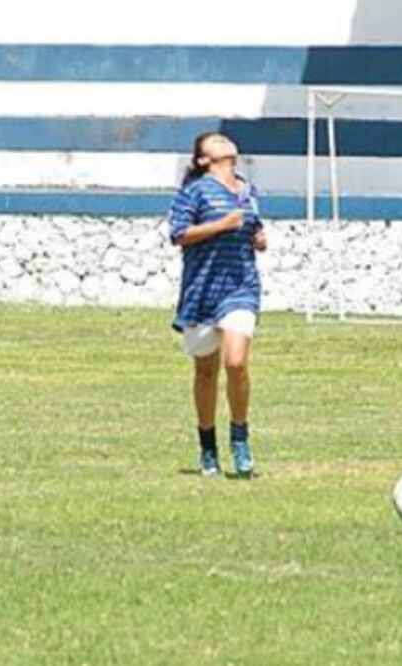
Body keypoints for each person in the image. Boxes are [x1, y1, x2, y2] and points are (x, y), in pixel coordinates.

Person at [167, 131, 268, 478]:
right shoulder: (194, 192)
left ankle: (240, 439)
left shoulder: (247, 190)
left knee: (236, 363)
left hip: (240, 288)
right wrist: (222, 225)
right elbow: (179, 234)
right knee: (206, 371)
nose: (225, 142)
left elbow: (255, 228)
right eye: (216, 141)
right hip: (202, 291)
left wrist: (258, 237)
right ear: (201, 159)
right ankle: (208, 446)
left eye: (227, 139)